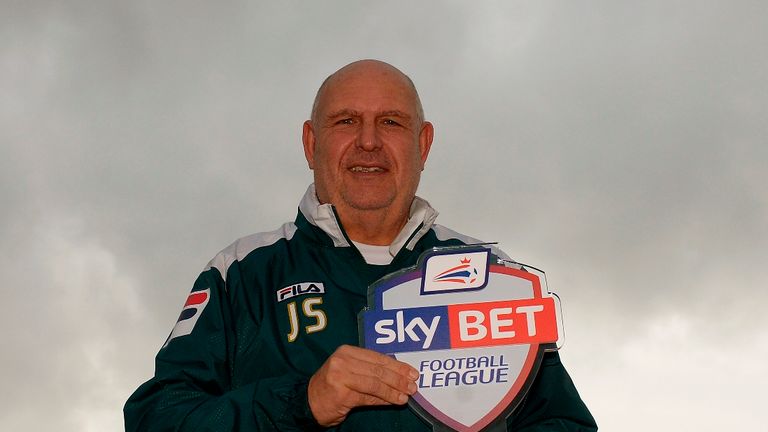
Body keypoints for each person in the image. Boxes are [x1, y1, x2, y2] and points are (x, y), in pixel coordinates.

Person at [124, 60, 597, 431]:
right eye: (346, 121)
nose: (368, 141)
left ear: (423, 144)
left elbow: (564, 422)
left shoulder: (491, 276)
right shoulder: (242, 273)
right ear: (311, 143)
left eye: (391, 122)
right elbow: (155, 418)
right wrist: (302, 401)